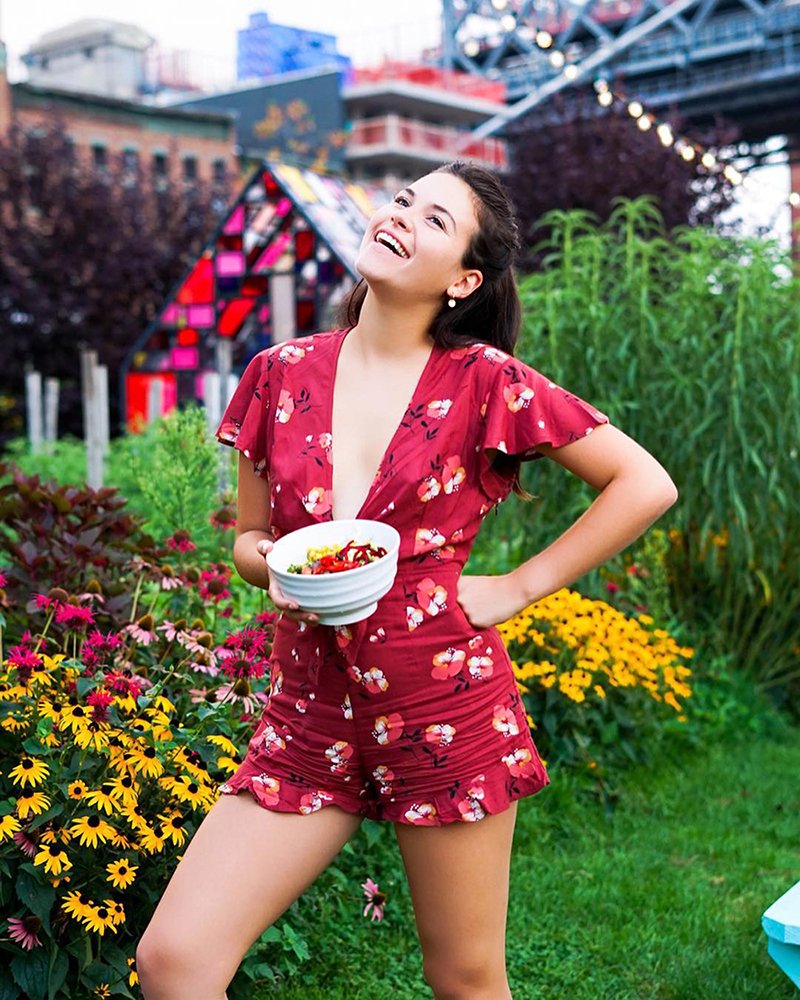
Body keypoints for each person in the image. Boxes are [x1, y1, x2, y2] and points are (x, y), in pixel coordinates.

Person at [136, 160, 678, 1000]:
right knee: (174, 960)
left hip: (444, 709)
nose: (400, 217)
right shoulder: (278, 374)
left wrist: (517, 586)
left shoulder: (486, 382)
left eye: (432, 219)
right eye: (401, 201)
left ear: (463, 278)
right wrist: (273, 567)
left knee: (463, 978)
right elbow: (249, 539)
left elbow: (644, 483)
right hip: (309, 711)